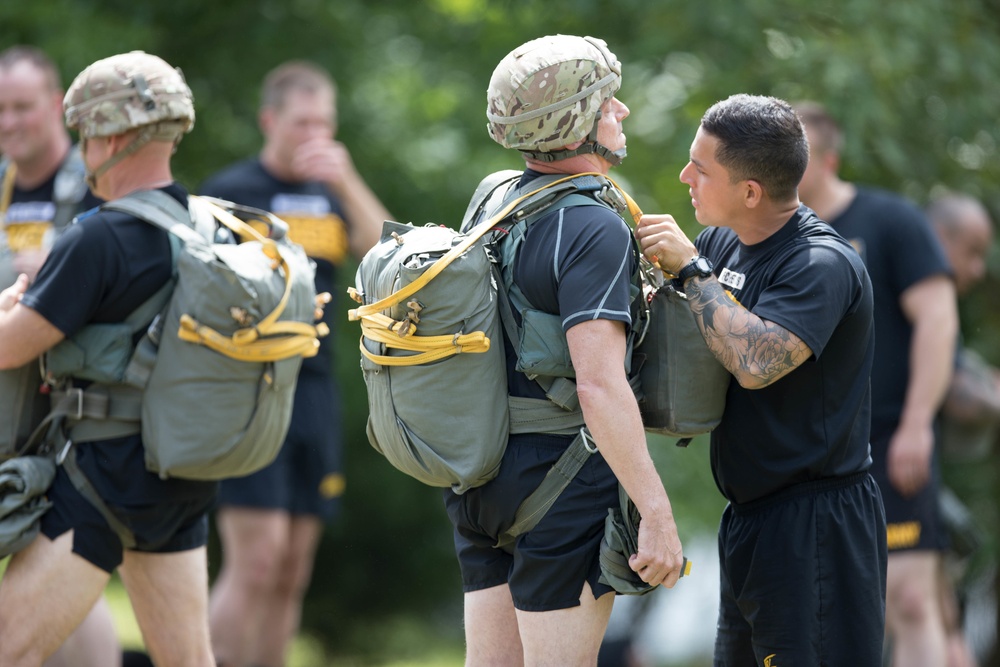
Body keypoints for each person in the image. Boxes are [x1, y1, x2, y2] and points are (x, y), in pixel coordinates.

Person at [441, 34, 684, 666]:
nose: (622, 111)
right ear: (575, 121)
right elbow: (598, 385)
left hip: (481, 472)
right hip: (562, 480)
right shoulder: (592, 225)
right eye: (608, 102)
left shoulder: (495, 197)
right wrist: (655, 513)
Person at [636, 94, 887, 664]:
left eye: (700, 169)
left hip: (817, 525)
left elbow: (755, 363)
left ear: (750, 191)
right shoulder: (723, 240)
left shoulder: (821, 263)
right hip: (749, 518)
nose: (684, 177)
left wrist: (691, 271)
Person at [0, 51, 217, 667]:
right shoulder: (204, 226)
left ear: (111, 135)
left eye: (85, 135)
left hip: (102, 478)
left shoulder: (99, 236)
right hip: (180, 476)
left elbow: (8, 347)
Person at [199, 60, 389, 667]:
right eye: (302, 121)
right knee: (256, 560)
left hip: (314, 391)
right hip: (248, 388)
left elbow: (389, 255)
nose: (315, 134)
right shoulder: (232, 193)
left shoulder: (333, 191)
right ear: (269, 119)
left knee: (290, 569)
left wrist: (348, 178)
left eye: (325, 123)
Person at [795, 101, 959, 666]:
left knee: (911, 600)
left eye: (802, 153)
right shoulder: (769, 237)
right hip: (803, 452)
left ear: (830, 157)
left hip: (890, 439)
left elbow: (939, 321)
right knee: (818, 606)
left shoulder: (890, 221)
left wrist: (918, 424)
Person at [0, 45, 122, 667]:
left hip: (65, 408)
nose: (8, 121)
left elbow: (132, 283)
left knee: (65, 553)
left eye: (21, 106)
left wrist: (63, 275)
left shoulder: (98, 185)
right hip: (4, 405)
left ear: (54, 106)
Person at [928, 193, 998, 667]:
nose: (977, 270)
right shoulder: (925, 306)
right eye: (971, 252)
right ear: (939, 240)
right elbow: (962, 398)